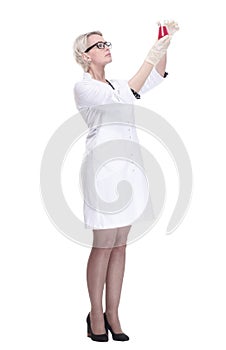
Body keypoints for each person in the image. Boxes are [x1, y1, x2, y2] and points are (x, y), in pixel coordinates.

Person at [73, 21, 179, 342]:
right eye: (99, 44)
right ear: (85, 55)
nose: (106, 47)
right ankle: (95, 313)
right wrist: (150, 55)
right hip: (103, 175)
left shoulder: (119, 83)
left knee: (120, 245)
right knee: (103, 245)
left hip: (129, 175)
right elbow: (124, 93)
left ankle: (113, 313)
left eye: (106, 42)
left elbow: (153, 77)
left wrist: (164, 44)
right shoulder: (85, 88)